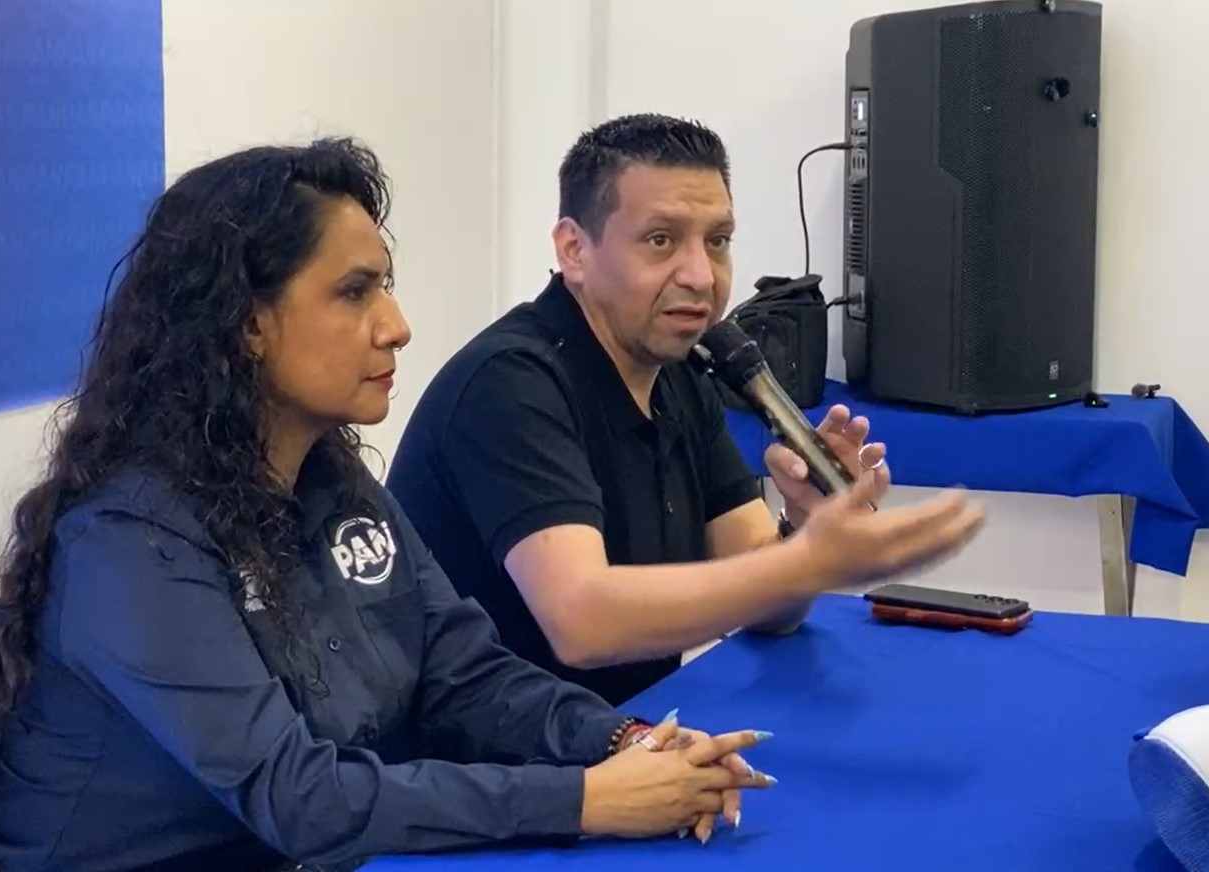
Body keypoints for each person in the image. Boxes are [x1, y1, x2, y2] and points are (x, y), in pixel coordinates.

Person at [0, 139, 773, 872]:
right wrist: (585, 800)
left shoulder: (333, 482)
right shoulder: (129, 539)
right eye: (354, 293)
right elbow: (299, 798)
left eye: (384, 286)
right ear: (247, 323)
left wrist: (625, 740)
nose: (397, 326)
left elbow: (463, 677)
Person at [386, 113, 985, 706]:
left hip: (627, 734)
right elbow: (583, 624)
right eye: (661, 240)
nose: (701, 276)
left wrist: (807, 521)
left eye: (717, 241)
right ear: (574, 250)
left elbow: (769, 612)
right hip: (483, 757)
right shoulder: (511, 383)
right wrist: (808, 563)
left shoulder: (682, 374)